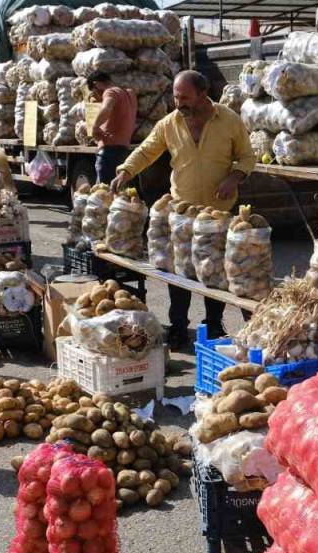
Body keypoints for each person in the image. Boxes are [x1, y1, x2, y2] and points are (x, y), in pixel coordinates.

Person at [113, 70, 255, 349]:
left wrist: (234, 177)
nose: (179, 103)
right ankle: (178, 326)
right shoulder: (170, 123)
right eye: (176, 97)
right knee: (179, 272)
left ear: (203, 95)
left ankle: (213, 323)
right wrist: (126, 170)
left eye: (184, 97)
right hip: (183, 213)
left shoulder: (228, 120)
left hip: (218, 213)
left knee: (213, 272)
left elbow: (247, 157)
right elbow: (146, 150)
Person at [87, 71, 137, 184]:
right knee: (118, 190)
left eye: (94, 91)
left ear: (96, 84)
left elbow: (107, 107)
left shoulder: (110, 92)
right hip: (123, 149)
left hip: (109, 150)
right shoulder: (129, 94)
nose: (97, 96)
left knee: (103, 191)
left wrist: (95, 127)